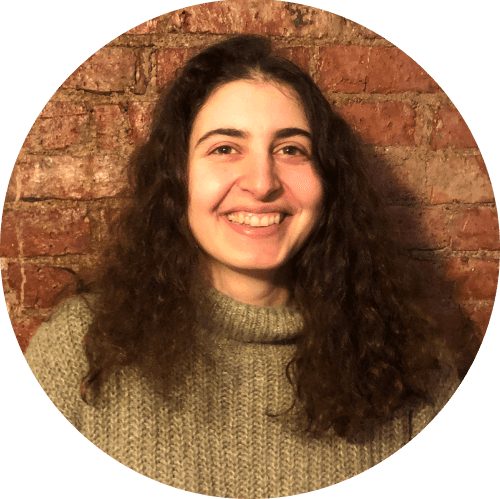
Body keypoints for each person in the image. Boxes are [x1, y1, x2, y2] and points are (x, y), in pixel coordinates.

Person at [25, 35, 463, 498]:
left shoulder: (413, 368)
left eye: (291, 149)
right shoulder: (78, 351)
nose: (262, 183)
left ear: (328, 179)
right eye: (224, 148)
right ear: (177, 178)